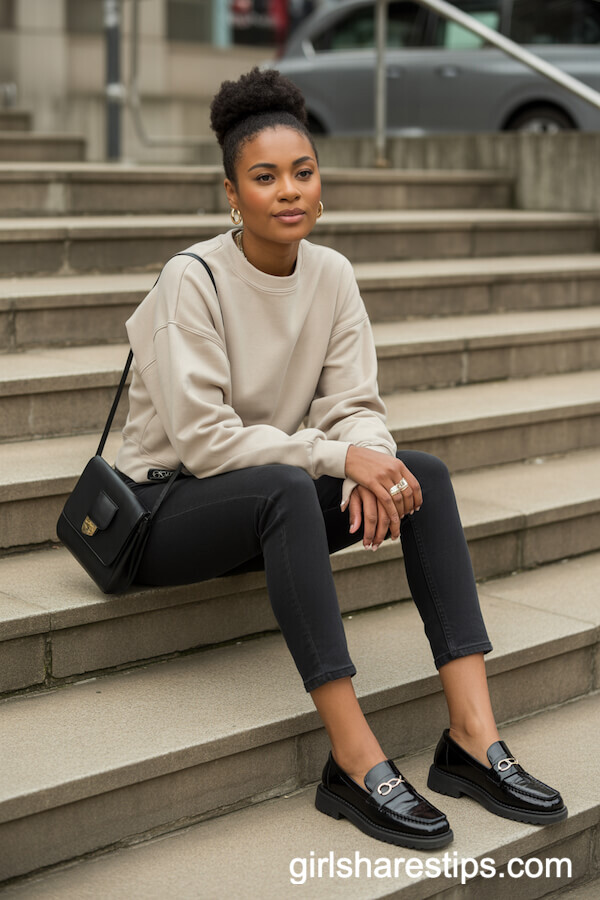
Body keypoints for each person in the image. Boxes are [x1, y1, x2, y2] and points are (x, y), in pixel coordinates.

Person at [115, 68, 567, 849]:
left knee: (420, 474)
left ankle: (472, 739)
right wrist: (335, 457)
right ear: (231, 192)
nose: (289, 191)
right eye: (265, 177)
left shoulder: (332, 274)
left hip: (266, 499)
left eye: (303, 172)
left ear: (320, 184)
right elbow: (204, 440)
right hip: (166, 512)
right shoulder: (191, 280)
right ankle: (354, 763)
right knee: (291, 487)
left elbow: (359, 403)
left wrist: (375, 462)